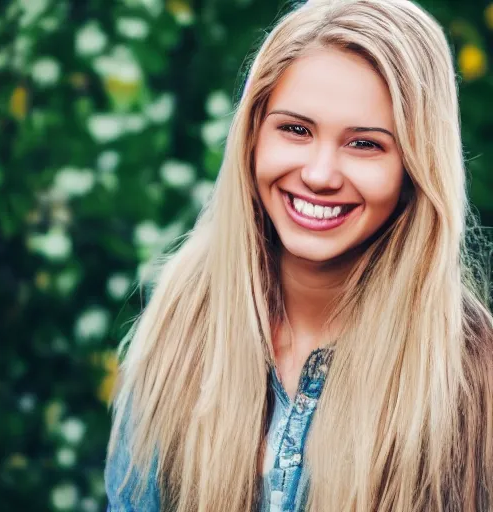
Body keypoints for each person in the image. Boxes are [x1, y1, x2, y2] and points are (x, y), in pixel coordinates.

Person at [104, 0, 493, 510]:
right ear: (251, 137)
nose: (319, 174)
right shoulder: (181, 330)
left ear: (415, 169)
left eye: (364, 144)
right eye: (295, 130)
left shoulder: (472, 380)